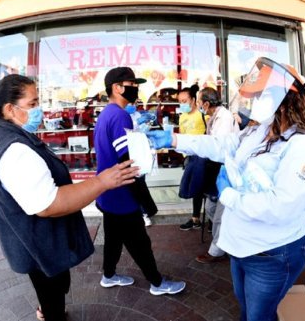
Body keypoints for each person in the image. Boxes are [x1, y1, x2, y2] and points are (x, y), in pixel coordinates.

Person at [147, 57, 305, 320]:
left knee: (259, 316)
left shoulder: (302, 146)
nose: (254, 103)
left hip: (272, 252)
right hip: (241, 245)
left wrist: (229, 195)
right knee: (246, 309)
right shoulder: (259, 130)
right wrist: (175, 139)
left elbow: (279, 207)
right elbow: (223, 146)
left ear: (283, 99)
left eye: (260, 96)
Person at [0, 74, 139, 321]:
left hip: (37, 243)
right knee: (52, 293)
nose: (38, 109)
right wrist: (102, 182)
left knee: (52, 289)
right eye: (32, 104)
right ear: (10, 109)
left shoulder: (9, 135)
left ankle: (50, 309)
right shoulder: (15, 150)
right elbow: (50, 204)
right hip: (39, 244)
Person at [94, 67, 186, 296]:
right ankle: (157, 283)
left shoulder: (108, 113)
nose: (136, 88)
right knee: (139, 242)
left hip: (109, 193)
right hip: (122, 192)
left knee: (114, 238)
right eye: (132, 84)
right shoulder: (118, 115)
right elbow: (126, 158)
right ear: (117, 87)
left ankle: (108, 275)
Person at [194, 86, 239, 264]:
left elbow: (217, 146)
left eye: (199, 101)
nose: (198, 105)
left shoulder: (225, 118)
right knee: (213, 209)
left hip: (226, 170)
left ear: (206, 103)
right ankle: (227, 240)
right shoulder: (214, 117)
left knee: (220, 213)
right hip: (216, 169)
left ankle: (217, 251)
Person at [176, 83, 206, 231]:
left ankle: (210, 220)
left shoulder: (203, 115)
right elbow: (182, 136)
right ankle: (195, 219)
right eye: (179, 102)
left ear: (193, 100)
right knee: (195, 187)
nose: (182, 104)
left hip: (202, 156)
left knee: (204, 187)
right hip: (189, 156)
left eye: (184, 101)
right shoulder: (182, 117)